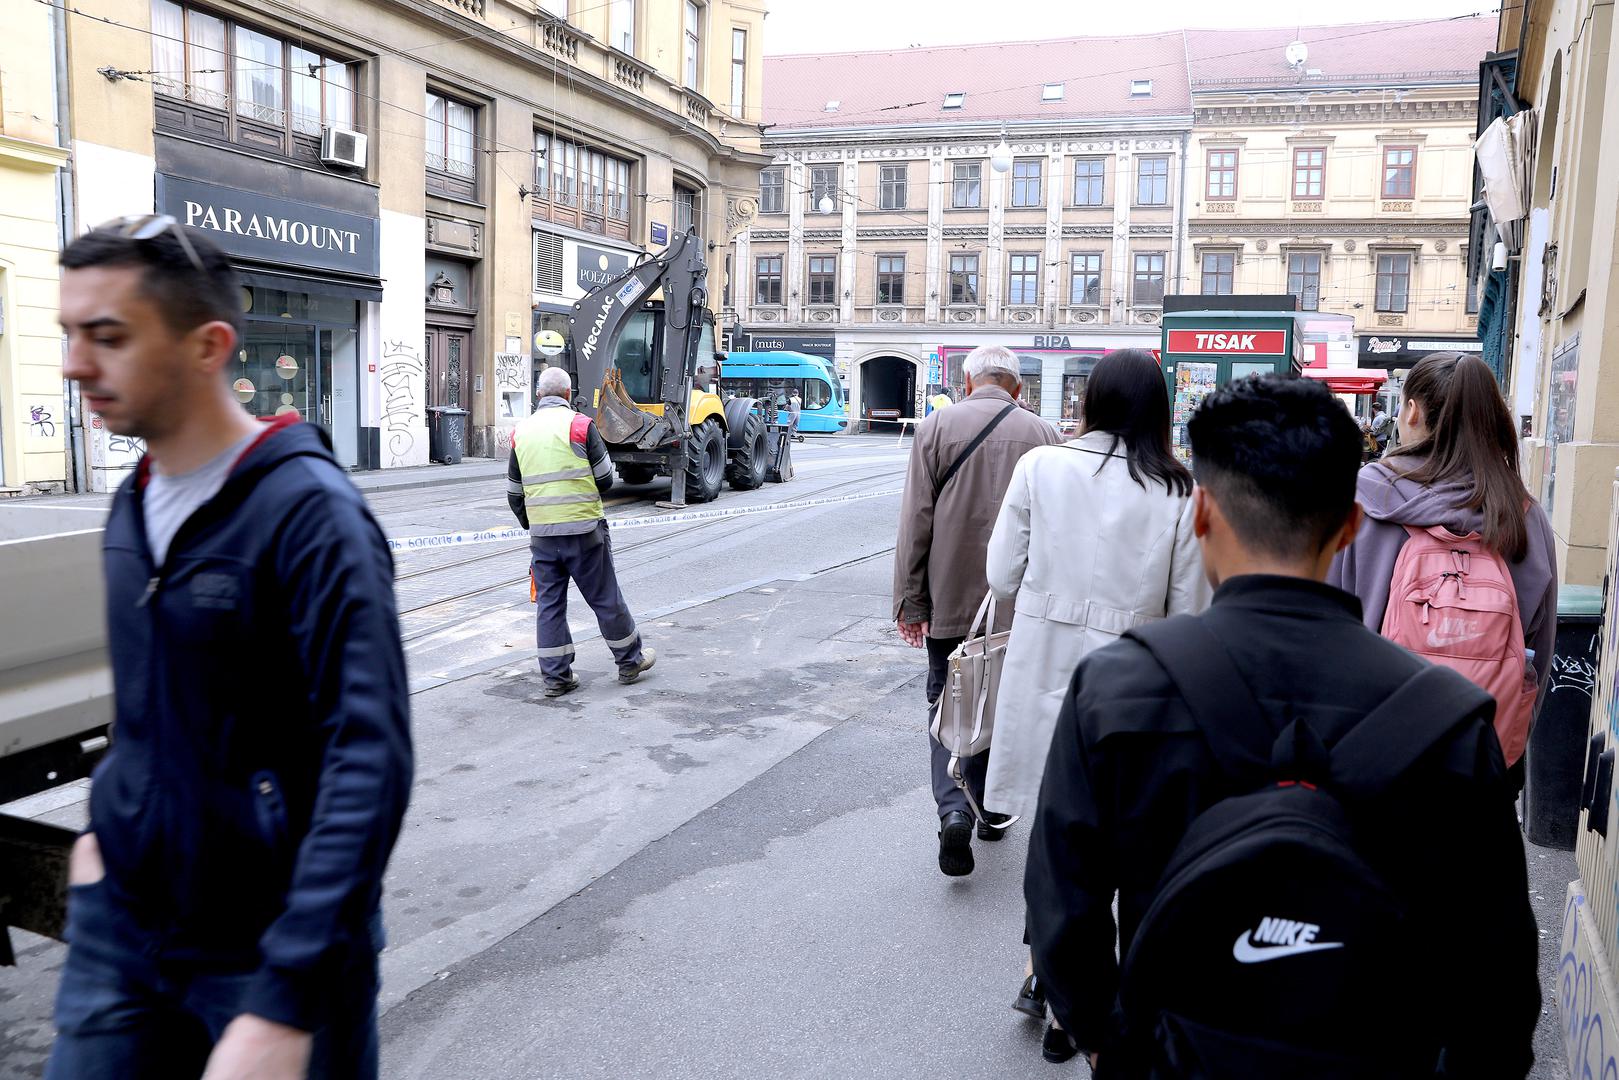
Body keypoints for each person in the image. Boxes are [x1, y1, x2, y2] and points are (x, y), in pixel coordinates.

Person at [1026, 374, 1539, 1075]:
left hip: (1178, 1048)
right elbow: (1497, 966)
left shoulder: (1118, 690)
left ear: (1201, 512)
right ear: (1350, 523)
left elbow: (1063, 905)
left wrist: (1112, 1044)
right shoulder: (1446, 720)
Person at [52, 216, 414, 1078]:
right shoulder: (135, 501)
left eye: (108, 337)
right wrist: (107, 827)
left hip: (269, 948)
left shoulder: (311, 516)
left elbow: (369, 759)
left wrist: (286, 998)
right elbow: (152, 707)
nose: (75, 364)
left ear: (208, 345)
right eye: (70, 334)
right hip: (124, 925)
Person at [981, 349, 1208, 1052]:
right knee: (1121, 843)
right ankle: (1066, 1010)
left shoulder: (1040, 467)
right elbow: (1189, 610)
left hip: (1042, 667)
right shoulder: (1180, 491)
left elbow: (1000, 573)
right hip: (1134, 680)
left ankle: (1044, 979)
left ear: (1090, 401)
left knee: (1057, 841)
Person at [1329, 352, 1556, 781]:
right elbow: (1538, 650)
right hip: (1483, 752)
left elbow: (1327, 629)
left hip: (1375, 747)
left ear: (1412, 410)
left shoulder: (1365, 498)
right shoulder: (1523, 514)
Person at [894, 344, 1060, 877]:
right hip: (1020, 607)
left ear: (968, 383)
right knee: (1003, 703)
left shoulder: (935, 428)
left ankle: (952, 808)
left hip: (949, 599)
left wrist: (910, 602)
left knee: (947, 701)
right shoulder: (1045, 435)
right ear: (1017, 388)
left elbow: (916, 521)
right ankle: (990, 808)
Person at [509, 366, 655, 697]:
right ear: (568, 395)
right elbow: (604, 479)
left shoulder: (521, 432)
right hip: (585, 530)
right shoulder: (580, 426)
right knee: (605, 598)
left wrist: (532, 523)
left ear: (537, 396)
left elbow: (514, 493)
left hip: (544, 538)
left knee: (549, 604)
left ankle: (556, 679)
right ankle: (630, 661)